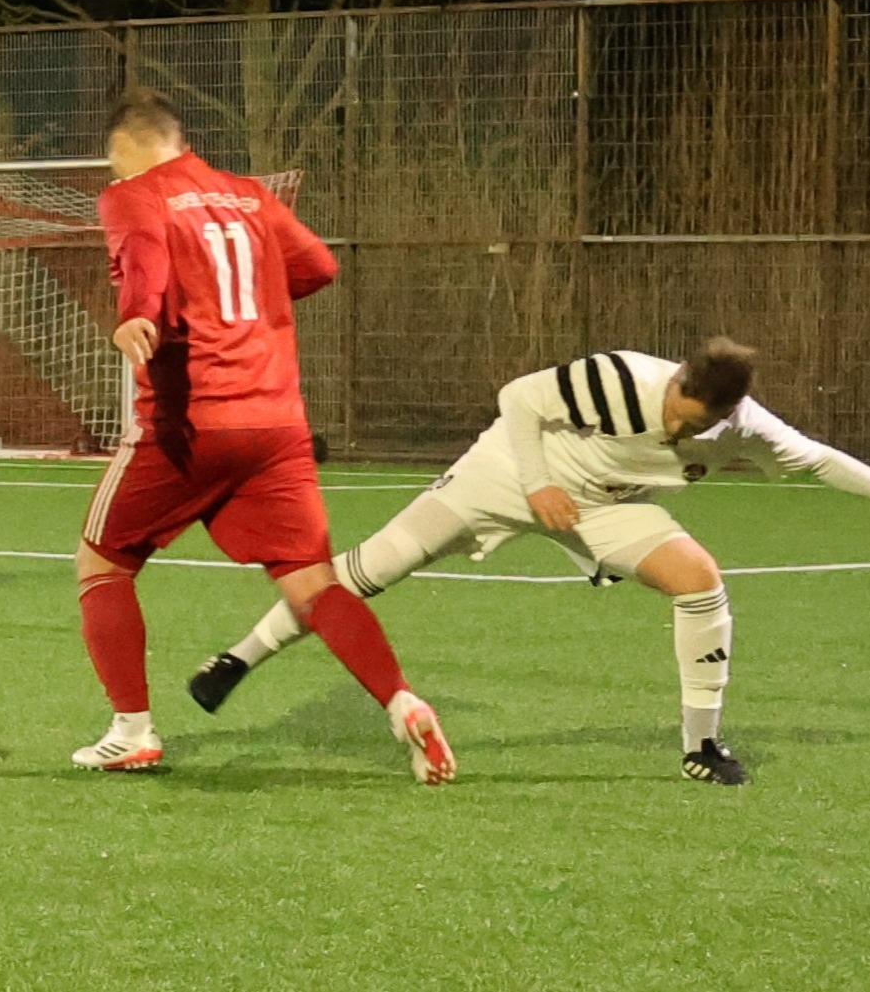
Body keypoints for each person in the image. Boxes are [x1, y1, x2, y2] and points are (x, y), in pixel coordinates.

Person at [190, 337, 870, 785]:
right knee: (369, 569)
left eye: (694, 429)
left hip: (603, 505)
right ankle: (237, 658)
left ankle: (701, 746)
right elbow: (518, 396)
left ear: (724, 415)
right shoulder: (622, 376)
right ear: (677, 381)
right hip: (506, 472)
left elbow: (819, 461)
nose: (677, 430)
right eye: (676, 414)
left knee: (699, 579)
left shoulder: (746, 426)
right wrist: (538, 482)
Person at [71, 88, 455, 785]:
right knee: (312, 582)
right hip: (277, 424)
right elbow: (318, 267)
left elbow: (146, 260)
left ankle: (131, 731)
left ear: (125, 146)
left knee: (102, 562)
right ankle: (401, 700)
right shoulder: (248, 195)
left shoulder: (132, 193)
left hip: (192, 422)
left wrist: (136, 313)